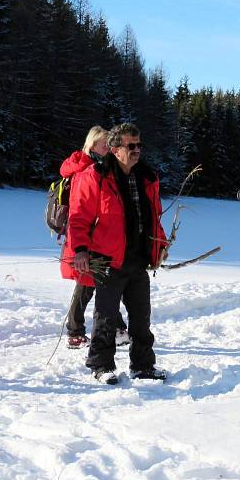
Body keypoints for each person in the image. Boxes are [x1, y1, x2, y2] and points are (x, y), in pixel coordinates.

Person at [67, 123, 168, 383]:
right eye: (130, 146)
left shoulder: (147, 177)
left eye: (139, 145)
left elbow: (154, 217)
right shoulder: (95, 176)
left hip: (137, 258)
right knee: (106, 317)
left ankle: (143, 365)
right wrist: (80, 250)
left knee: (141, 318)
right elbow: (78, 217)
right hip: (106, 258)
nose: (136, 151)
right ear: (114, 149)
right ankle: (101, 366)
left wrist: (160, 244)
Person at [59, 126, 129, 349]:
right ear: (92, 145)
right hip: (87, 238)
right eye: (104, 145)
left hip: (94, 237)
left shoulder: (90, 166)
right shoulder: (87, 170)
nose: (108, 148)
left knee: (101, 283)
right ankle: (76, 332)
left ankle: (113, 329)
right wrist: (82, 244)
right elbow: (82, 210)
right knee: (90, 283)